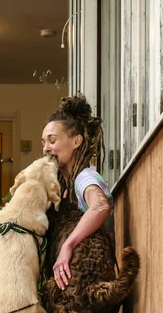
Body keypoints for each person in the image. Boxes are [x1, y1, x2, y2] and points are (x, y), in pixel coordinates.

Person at [41, 94, 114, 291]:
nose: (46, 148)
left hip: (87, 286)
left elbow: (100, 206)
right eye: (43, 143)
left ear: (76, 141)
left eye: (52, 141)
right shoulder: (62, 186)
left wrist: (68, 246)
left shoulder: (84, 178)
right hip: (71, 287)